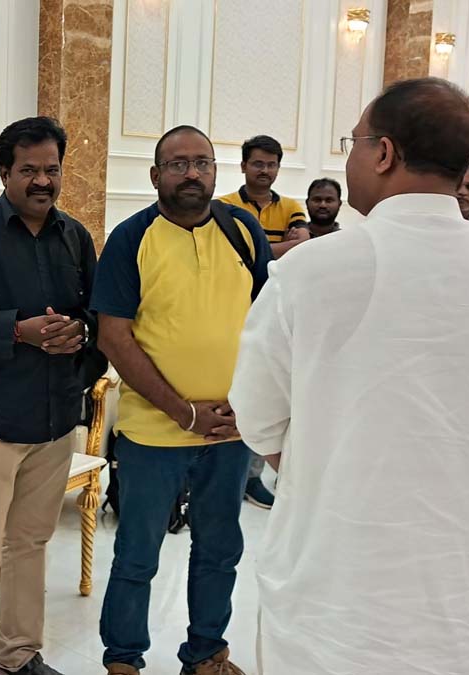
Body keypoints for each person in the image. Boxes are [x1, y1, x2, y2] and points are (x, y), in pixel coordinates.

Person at [229, 77, 469, 675]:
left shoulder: (311, 271)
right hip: (457, 599)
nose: (349, 156)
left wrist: (325, 462)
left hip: (333, 599)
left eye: (353, 142)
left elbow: (257, 414)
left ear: (383, 153)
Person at [92, 125, 273, 675]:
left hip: (229, 432)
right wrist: (184, 411)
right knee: (137, 554)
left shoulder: (242, 231)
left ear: (217, 172)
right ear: (155, 176)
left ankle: (206, 654)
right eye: (178, 164)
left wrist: (251, 403)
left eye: (202, 163)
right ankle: (124, 660)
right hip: (153, 434)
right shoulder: (132, 238)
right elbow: (113, 337)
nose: (192, 173)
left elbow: (268, 322)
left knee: (219, 550)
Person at [0, 117, 107, 675]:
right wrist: (15, 330)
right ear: (5, 171)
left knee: (30, 544)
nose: (42, 181)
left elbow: (95, 316)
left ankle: (18, 656)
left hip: (55, 419)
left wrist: (78, 333)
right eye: (29, 170)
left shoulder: (74, 236)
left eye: (51, 170)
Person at [216, 134, 307, 507]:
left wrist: (260, 249)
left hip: (276, 311)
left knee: (265, 391)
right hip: (231, 309)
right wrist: (280, 247)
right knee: (235, 388)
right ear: (243, 166)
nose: (264, 170)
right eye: (257, 163)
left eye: (271, 164)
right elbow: (229, 252)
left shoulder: (291, 207)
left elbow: (303, 245)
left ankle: (252, 477)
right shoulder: (224, 206)